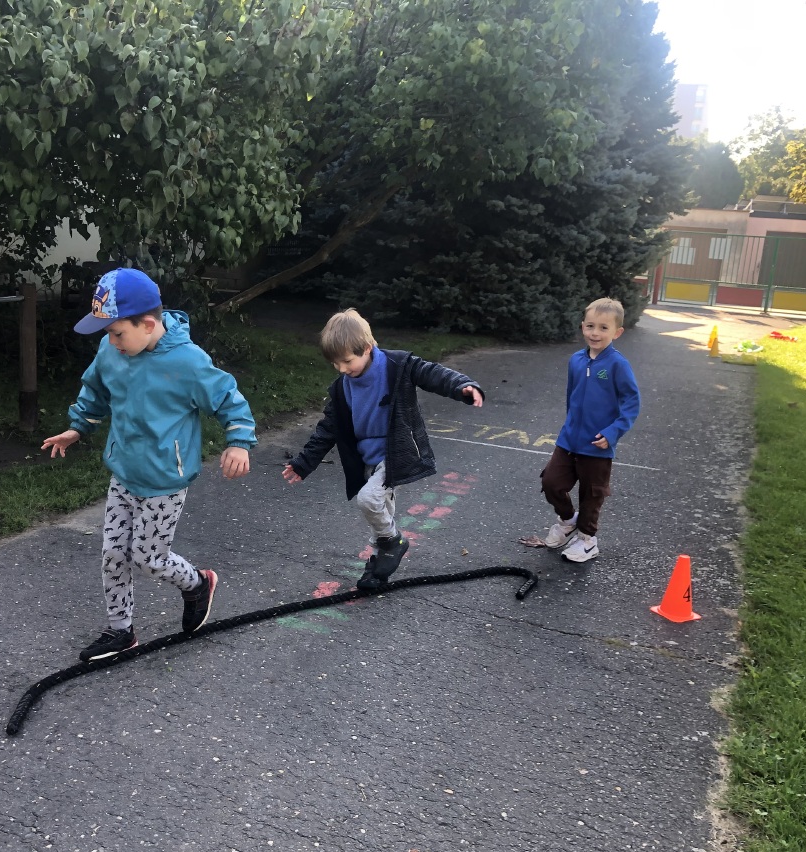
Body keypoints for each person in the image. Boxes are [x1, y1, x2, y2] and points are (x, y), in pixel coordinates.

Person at [42, 268, 257, 661]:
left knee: (148, 559)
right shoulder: (113, 350)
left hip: (164, 480)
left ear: (147, 324)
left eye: (117, 333)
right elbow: (95, 389)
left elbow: (229, 399)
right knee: (113, 553)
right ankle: (121, 631)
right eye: (107, 333)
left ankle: (197, 584)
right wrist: (77, 428)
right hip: (124, 472)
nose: (111, 342)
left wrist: (239, 442)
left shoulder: (188, 362)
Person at [282, 308, 484, 590]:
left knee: (369, 500)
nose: (342, 369)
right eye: (335, 363)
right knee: (381, 513)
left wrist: (462, 386)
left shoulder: (396, 365)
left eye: (347, 361)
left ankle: (394, 541)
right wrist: (304, 462)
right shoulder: (343, 387)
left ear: (366, 348)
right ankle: (378, 571)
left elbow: (432, 373)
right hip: (367, 458)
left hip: (395, 453)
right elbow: (328, 428)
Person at [540, 297, 640, 563]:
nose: (595, 333)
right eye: (590, 326)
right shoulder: (576, 360)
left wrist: (613, 432)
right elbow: (571, 397)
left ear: (617, 332)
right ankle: (567, 521)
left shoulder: (617, 364)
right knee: (551, 482)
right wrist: (569, 425)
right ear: (582, 326)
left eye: (604, 328)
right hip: (569, 440)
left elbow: (632, 402)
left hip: (598, 445)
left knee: (591, 494)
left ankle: (587, 540)